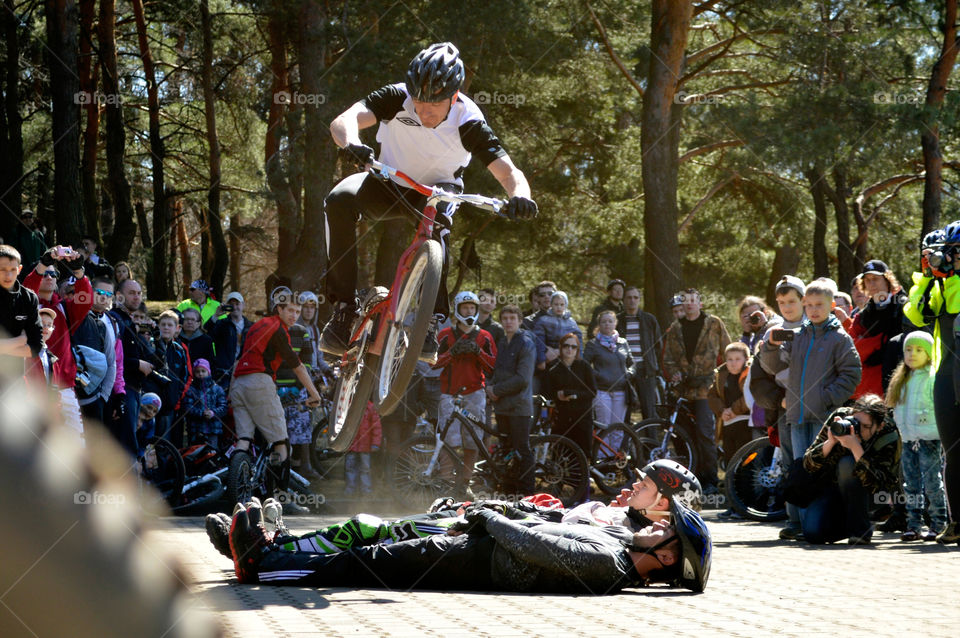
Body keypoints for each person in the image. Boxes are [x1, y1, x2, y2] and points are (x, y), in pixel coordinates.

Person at [319, 42, 537, 358]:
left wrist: (521, 196)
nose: (423, 112)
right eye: (419, 102)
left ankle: (430, 321)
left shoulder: (468, 120)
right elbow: (344, 120)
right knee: (338, 200)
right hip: (388, 181)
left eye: (433, 105)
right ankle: (343, 310)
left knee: (438, 230)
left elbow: (508, 172)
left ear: (453, 97)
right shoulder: (397, 96)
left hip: (435, 192)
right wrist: (351, 142)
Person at [225, 492, 711, 594]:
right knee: (368, 548)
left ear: (666, 556)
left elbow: (539, 550)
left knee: (363, 564)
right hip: (474, 545)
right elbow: (545, 528)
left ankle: (260, 566)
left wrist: (492, 518)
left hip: (472, 560)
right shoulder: (619, 546)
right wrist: (509, 512)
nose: (654, 523)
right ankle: (277, 550)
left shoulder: (609, 567)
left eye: (663, 529)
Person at [760, 279, 862, 539]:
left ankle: (819, 524)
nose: (814, 310)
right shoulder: (797, 335)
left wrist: (827, 399)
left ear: (831, 305)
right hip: (796, 415)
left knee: (821, 471)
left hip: (823, 417)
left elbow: (851, 374)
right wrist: (769, 345)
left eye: (820, 305)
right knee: (798, 469)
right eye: (810, 305)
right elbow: (772, 365)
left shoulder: (839, 337)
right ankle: (797, 524)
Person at [230, 289, 322, 509]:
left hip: (238, 384)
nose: (294, 315)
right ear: (278, 309)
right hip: (259, 383)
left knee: (244, 440)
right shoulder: (277, 330)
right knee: (281, 443)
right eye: (289, 310)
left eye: (298, 311)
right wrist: (314, 393)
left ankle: (235, 488)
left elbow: (240, 359)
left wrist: (230, 391)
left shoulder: (255, 326)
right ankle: (279, 500)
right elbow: (297, 365)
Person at [905, 223, 960, 544]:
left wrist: (951, 278)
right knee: (953, 453)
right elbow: (916, 315)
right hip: (947, 376)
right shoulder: (939, 282)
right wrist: (928, 277)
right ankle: (956, 522)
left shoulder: (953, 283)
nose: (951, 259)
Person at [801, 396, 901, 545]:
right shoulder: (840, 420)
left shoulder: (888, 434)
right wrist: (830, 443)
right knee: (813, 534)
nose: (859, 429)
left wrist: (856, 449)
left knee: (848, 464)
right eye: (856, 422)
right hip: (836, 491)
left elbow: (881, 486)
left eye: (866, 426)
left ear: (879, 426)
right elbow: (807, 464)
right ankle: (847, 523)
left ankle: (860, 531)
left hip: (873, 497)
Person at [661, 289, 731, 493]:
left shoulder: (714, 323)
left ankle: (709, 480)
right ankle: (686, 480)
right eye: (686, 301)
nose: (689, 304)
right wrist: (674, 375)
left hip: (706, 388)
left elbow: (727, 351)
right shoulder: (675, 328)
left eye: (693, 300)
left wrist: (725, 379)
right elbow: (668, 359)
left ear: (700, 303)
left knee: (705, 432)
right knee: (682, 436)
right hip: (682, 390)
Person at [22, 246, 92, 435]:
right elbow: (26, 291)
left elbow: (86, 300)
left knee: (76, 446)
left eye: (54, 274)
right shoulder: (25, 307)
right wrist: (43, 263)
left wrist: (79, 273)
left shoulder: (64, 308)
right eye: (46, 274)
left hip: (64, 388)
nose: (50, 277)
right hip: (33, 389)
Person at [433, 291, 497, 498]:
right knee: (448, 440)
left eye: (472, 308)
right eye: (465, 308)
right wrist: (451, 353)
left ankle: (465, 484)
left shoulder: (485, 336)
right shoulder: (445, 335)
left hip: (475, 393)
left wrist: (478, 352)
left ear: (476, 310)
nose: (469, 311)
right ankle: (445, 482)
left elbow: (493, 366)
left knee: (472, 441)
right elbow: (433, 363)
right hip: (449, 393)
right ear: (458, 310)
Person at [884, 331, 946, 541]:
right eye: (909, 350)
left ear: (929, 354)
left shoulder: (933, 377)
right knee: (910, 483)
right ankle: (913, 524)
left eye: (919, 350)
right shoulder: (901, 379)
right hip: (909, 438)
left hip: (929, 438)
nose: (912, 354)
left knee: (932, 482)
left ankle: (939, 523)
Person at [486, 304, 537, 496]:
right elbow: (496, 371)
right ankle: (509, 490)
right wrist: (489, 388)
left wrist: (496, 390)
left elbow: (522, 379)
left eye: (512, 318)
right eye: (505, 318)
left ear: (520, 321)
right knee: (506, 450)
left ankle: (528, 493)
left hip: (519, 407)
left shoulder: (526, 343)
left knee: (522, 450)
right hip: (502, 407)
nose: (508, 322)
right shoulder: (501, 343)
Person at [844, 260, 905, 398]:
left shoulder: (904, 307)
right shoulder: (862, 315)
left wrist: (879, 346)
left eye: (876, 279)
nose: (871, 284)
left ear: (887, 279)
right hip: (869, 386)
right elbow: (852, 347)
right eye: (867, 280)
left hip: (898, 382)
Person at [145, 309, 192, 447]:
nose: (166, 327)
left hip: (168, 406)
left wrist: (175, 399)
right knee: (146, 442)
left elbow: (184, 376)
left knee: (164, 444)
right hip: (149, 403)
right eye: (163, 324)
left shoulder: (179, 350)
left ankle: (164, 469)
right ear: (158, 326)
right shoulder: (150, 346)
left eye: (170, 325)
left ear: (177, 328)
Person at [546, 332, 597, 458]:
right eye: (566, 346)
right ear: (561, 348)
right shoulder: (554, 367)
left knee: (582, 454)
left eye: (573, 347)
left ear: (577, 349)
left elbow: (592, 391)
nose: (569, 349)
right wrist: (556, 395)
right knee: (560, 453)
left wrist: (574, 395)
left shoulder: (584, 366)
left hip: (582, 416)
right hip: (562, 417)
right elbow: (547, 391)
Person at [617, 286, 663, 421]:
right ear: (624, 300)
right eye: (629, 297)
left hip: (646, 370)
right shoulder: (617, 320)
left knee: (649, 410)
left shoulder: (649, 320)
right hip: (624, 370)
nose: (632, 301)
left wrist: (655, 367)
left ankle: (651, 442)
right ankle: (624, 442)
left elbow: (658, 346)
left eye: (635, 297)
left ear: (639, 300)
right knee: (623, 411)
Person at [584, 310, 636, 428]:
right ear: (599, 324)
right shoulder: (593, 344)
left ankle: (615, 448)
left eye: (610, 321)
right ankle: (601, 447)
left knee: (617, 428)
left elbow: (632, 363)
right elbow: (584, 365)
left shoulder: (623, 343)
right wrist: (598, 375)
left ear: (615, 323)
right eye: (604, 322)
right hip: (602, 391)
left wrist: (629, 374)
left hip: (621, 391)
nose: (607, 324)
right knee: (604, 427)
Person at [0, 245, 42, 375]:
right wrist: (19, 341)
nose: (9, 275)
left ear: (20, 269)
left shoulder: (28, 298)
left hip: (14, 381)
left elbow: (35, 347)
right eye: (2, 269)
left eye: (13, 269)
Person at [205, 291, 252, 389]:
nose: (234, 307)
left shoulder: (251, 326)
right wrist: (215, 316)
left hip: (245, 370)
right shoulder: (221, 324)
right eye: (231, 304)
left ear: (243, 305)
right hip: (224, 371)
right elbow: (206, 336)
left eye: (237, 304)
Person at [183, 358, 227, 449]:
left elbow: (223, 407)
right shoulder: (191, 390)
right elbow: (188, 408)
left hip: (213, 430)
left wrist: (213, 413)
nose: (200, 374)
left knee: (212, 453)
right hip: (196, 430)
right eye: (197, 371)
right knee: (195, 454)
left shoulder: (217, 389)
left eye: (203, 371)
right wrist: (201, 413)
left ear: (208, 372)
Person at [533, 290, 581, 365]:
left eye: (562, 305)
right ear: (551, 305)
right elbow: (539, 340)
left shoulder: (571, 322)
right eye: (556, 304)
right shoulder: (543, 320)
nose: (559, 307)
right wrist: (541, 360)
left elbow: (578, 342)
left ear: (566, 305)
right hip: (549, 357)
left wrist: (579, 359)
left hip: (567, 356)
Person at [345, 401, 382, 497]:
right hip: (354, 445)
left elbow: (376, 427)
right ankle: (351, 489)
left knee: (364, 469)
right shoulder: (349, 406)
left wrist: (375, 443)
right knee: (351, 468)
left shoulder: (370, 407)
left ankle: (365, 490)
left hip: (364, 446)